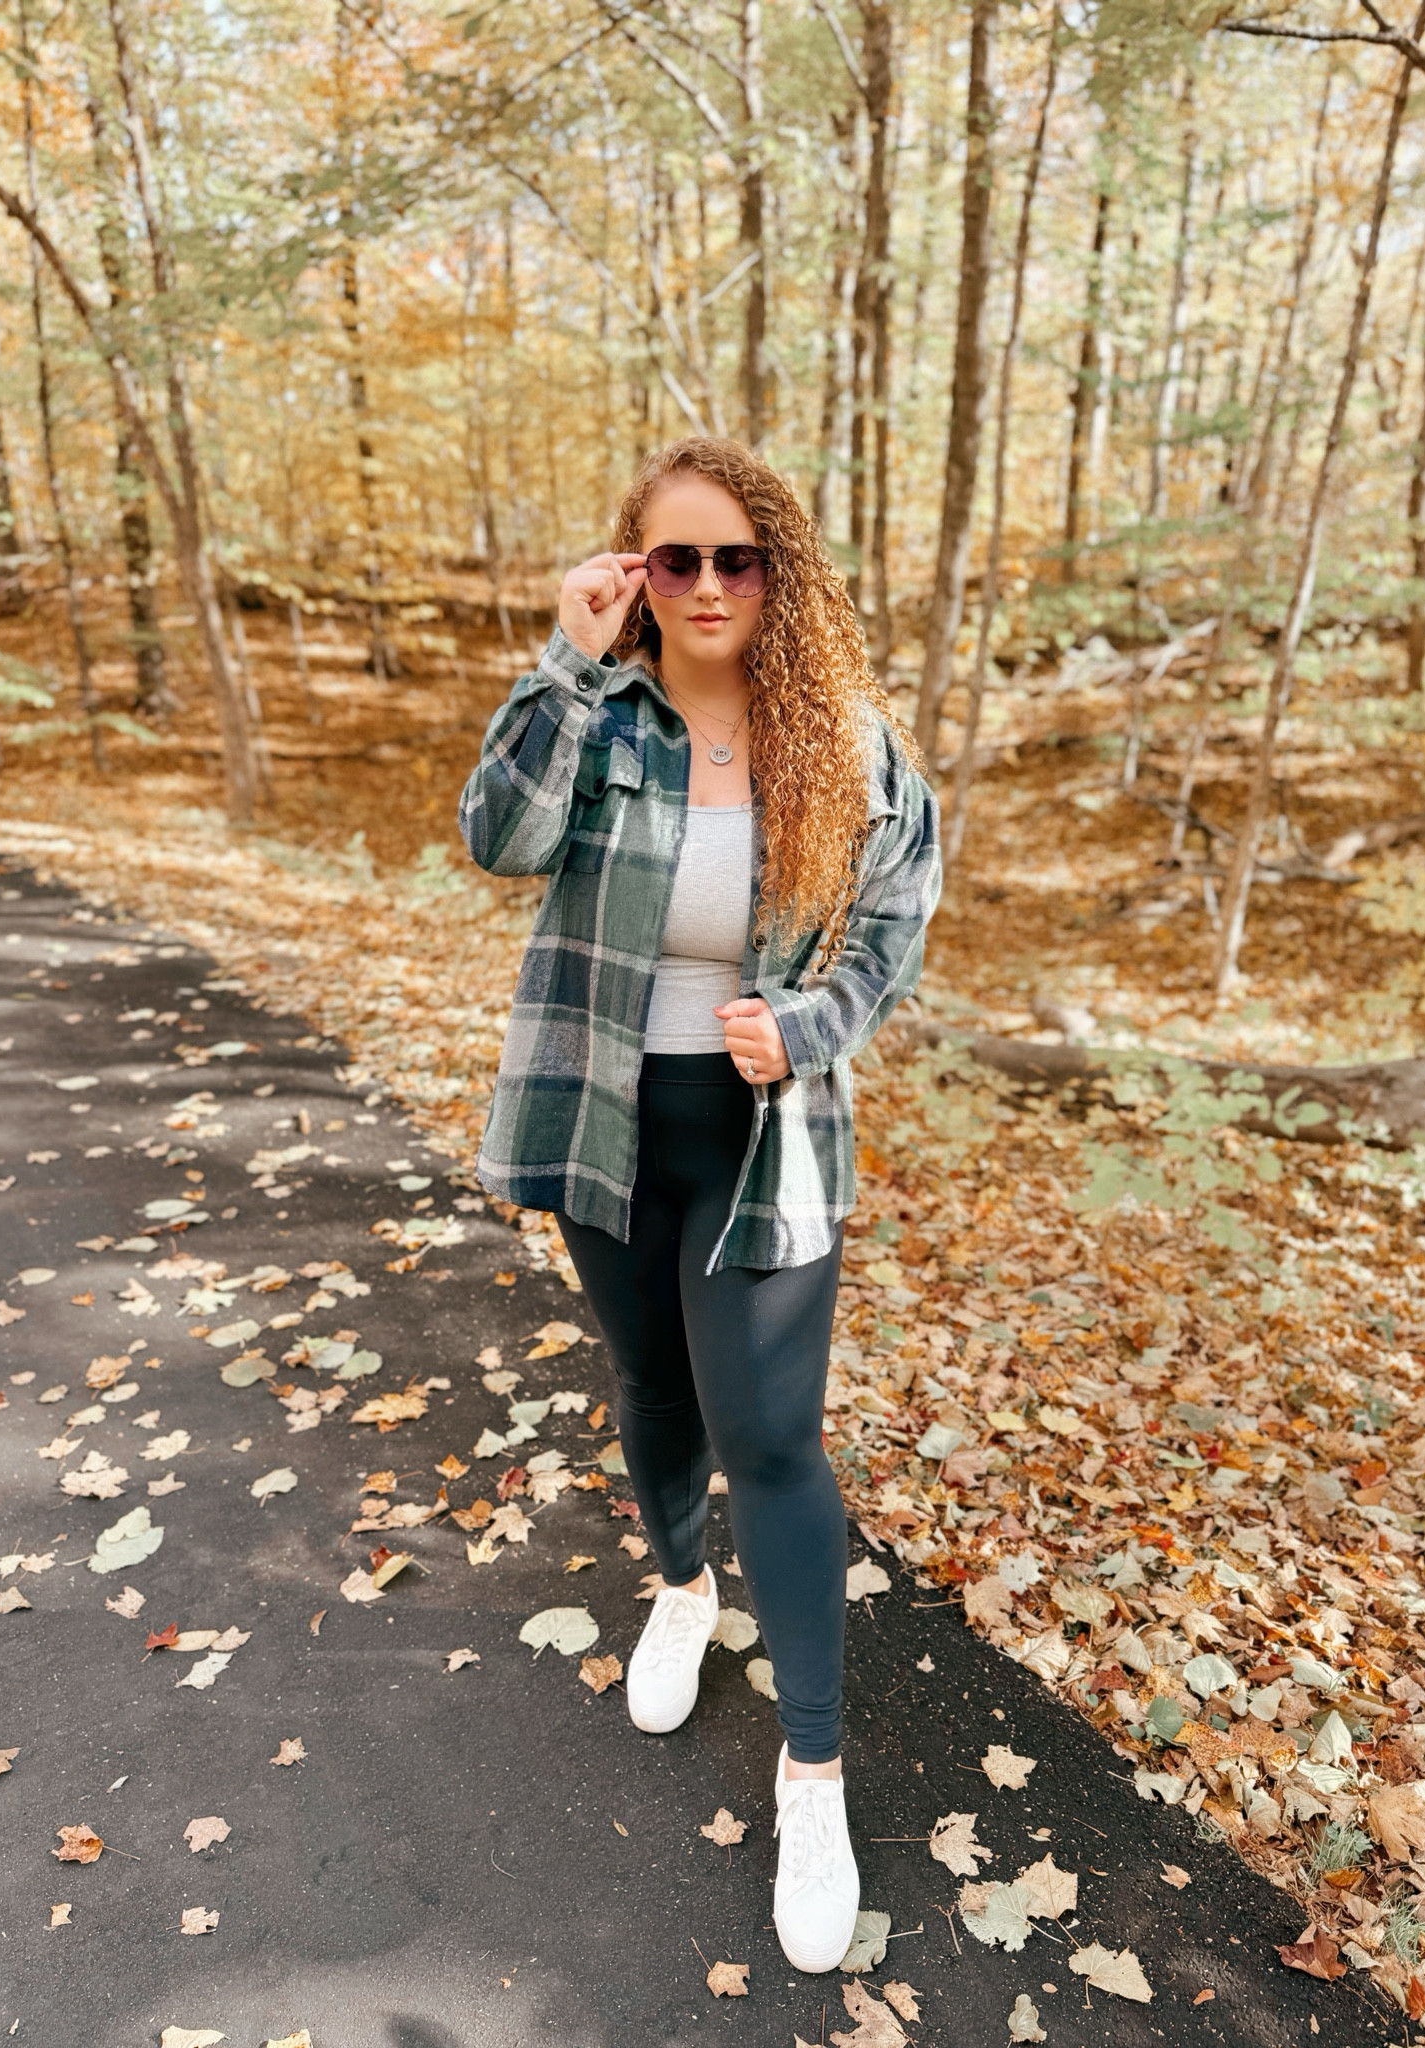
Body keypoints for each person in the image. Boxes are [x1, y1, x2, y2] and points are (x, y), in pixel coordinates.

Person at [458, 435, 939, 1973]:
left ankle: (814, 1777)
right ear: (636, 572)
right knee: (650, 1382)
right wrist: (561, 656)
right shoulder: (595, 714)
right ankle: (679, 1587)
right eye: (679, 559)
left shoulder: (850, 750)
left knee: (774, 1438)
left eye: (741, 557)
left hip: (761, 1134)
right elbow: (496, 839)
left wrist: (802, 1028)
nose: (712, 585)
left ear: (779, 573)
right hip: (602, 1115)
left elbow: (889, 936)